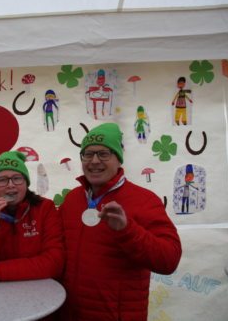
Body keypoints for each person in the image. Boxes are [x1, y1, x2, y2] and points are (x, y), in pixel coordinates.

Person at [58, 122, 182, 321]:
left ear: (118, 159)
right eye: (87, 154)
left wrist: (127, 230)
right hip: (69, 313)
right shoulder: (72, 199)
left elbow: (169, 260)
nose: (94, 161)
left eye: (104, 154)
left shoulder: (145, 200)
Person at [0, 151, 65, 284]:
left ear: (26, 183)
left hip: (37, 291)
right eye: (2, 180)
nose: (10, 185)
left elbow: (54, 262)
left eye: (17, 178)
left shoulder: (45, 208)